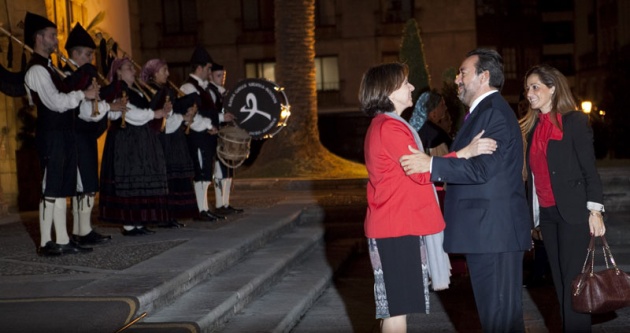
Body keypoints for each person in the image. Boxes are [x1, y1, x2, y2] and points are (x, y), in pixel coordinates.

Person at [400, 48, 532, 332]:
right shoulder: (481, 112)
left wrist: (431, 164)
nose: (457, 78)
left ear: (483, 76)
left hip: (494, 234)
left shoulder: (494, 113)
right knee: (498, 318)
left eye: (463, 72)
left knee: (500, 319)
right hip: (487, 233)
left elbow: (482, 169)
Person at [359, 62, 496, 333]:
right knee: (397, 311)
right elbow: (421, 171)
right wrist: (465, 153)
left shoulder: (385, 125)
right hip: (398, 229)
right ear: (387, 90)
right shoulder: (390, 128)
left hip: (393, 226)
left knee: (395, 309)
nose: (411, 87)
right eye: (404, 83)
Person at [520, 64, 605, 332]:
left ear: (553, 88)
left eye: (535, 87)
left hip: (573, 214)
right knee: (560, 285)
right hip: (547, 216)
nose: (529, 93)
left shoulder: (575, 121)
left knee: (575, 286)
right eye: (527, 89)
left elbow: (589, 169)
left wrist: (595, 211)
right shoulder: (533, 129)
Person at [23, 12, 99, 256]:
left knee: (61, 188)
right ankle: (46, 242)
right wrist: (82, 95)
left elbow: (66, 91)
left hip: (63, 133)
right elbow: (55, 102)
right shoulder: (36, 70)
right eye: (52, 36)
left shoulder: (51, 68)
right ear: (38, 38)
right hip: (51, 134)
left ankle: (63, 239)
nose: (56, 40)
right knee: (50, 187)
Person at [63, 22, 123, 246]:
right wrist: (109, 107)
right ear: (76, 53)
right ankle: (80, 230)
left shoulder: (83, 76)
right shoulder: (69, 75)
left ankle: (84, 228)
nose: (90, 59)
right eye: (87, 54)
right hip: (75, 134)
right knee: (81, 185)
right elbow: (82, 110)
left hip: (85, 136)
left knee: (88, 185)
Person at [98, 57, 170, 236]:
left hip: (138, 141)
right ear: (119, 72)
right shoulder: (118, 89)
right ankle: (130, 224)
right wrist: (155, 113)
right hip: (125, 142)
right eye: (129, 68)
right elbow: (129, 113)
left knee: (139, 180)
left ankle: (138, 221)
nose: (134, 70)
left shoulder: (135, 90)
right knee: (129, 180)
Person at [140, 58, 198, 227]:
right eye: (164, 70)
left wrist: (186, 114)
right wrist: (181, 116)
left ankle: (171, 215)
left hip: (172, 139)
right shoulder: (152, 91)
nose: (168, 73)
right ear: (155, 73)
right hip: (162, 140)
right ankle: (163, 216)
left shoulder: (165, 89)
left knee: (172, 181)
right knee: (166, 179)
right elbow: (162, 118)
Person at [180, 47, 233, 221]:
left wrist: (214, 122)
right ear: (200, 68)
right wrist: (209, 124)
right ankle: (200, 210)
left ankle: (204, 209)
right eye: (209, 68)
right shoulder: (188, 87)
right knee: (201, 173)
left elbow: (206, 111)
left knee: (206, 173)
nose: (210, 72)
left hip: (207, 134)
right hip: (197, 135)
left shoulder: (203, 88)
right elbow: (192, 114)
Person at [207, 63, 243, 215]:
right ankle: (220, 203)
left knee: (228, 171)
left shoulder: (225, 93)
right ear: (210, 75)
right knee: (219, 171)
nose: (222, 79)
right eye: (218, 75)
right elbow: (209, 112)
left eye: (224, 76)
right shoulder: (209, 92)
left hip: (226, 136)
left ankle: (226, 203)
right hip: (216, 135)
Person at [409, 89, 452, 157]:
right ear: (433, 111)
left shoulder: (411, 129)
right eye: (442, 105)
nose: (445, 108)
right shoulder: (435, 135)